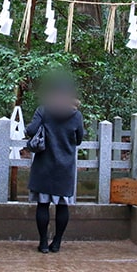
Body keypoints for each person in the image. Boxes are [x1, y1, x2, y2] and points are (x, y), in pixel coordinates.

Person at [25, 77, 84, 253]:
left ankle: (43, 243)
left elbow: (31, 131)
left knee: (43, 205)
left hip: (44, 163)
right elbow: (79, 139)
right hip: (65, 166)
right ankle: (57, 243)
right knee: (62, 205)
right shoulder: (76, 115)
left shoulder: (44, 110)